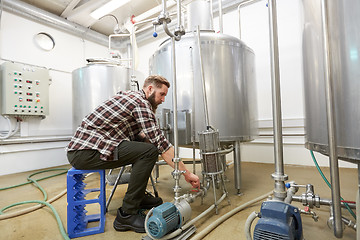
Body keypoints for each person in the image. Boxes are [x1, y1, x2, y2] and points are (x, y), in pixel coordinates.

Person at [66, 75, 200, 233]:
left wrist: (152, 141)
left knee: (147, 147)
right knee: (149, 151)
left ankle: (138, 196)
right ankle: (126, 215)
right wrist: (186, 173)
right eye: (161, 94)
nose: (163, 100)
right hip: (85, 152)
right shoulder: (140, 103)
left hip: (92, 148)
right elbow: (161, 145)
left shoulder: (132, 98)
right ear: (150, 89)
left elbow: (140, 136)